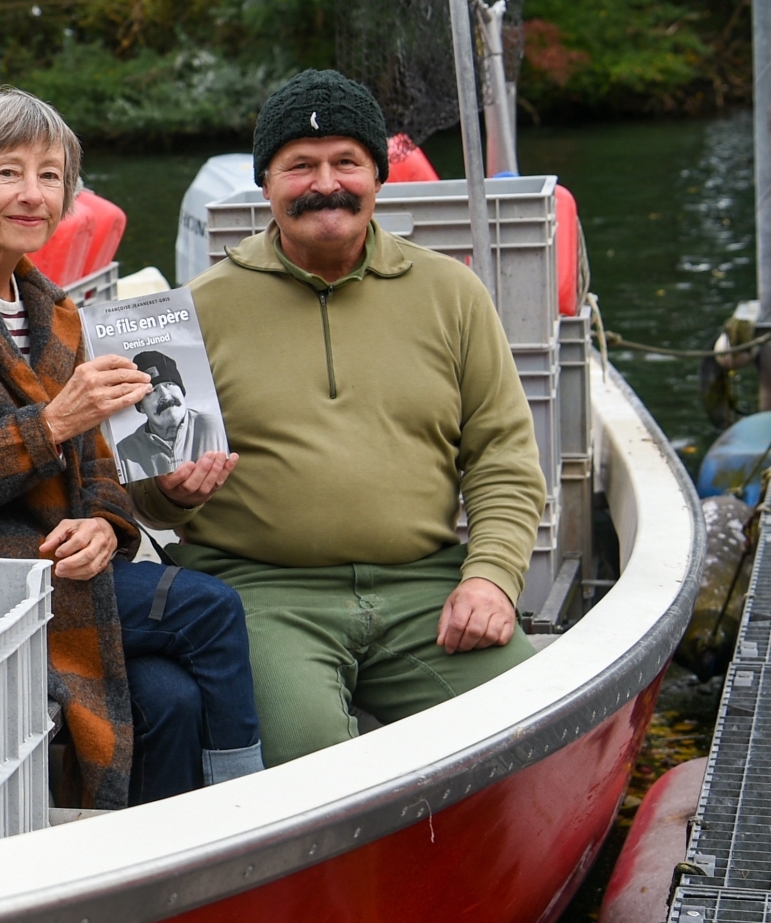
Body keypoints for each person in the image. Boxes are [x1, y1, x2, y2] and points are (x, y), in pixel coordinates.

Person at [0, 89, 263, 808]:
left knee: (172, 697)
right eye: (9, 172)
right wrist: (51, 423)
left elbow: (99, 468)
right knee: (213, 609)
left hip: (48, 571)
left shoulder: (58, 310)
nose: (33, 193)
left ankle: (148, 878)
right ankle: (249, 824)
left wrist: (106, 524)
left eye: (51, 174)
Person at [132, 69, 546, 768]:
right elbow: (148, 490)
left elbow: (503, 455)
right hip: (261, 594)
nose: (327, 183)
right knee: (308, 762)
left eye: (346, 161)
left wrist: (490, 577)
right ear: (266, 183)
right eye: (300, 165)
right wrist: (172, 491)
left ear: (378, 177)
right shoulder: (189, 314)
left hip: (427, 586)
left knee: (533, 722)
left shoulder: (454, 293)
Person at [114, 350, 223, 481]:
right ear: (141, 407)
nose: (165, 395)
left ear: (182, 391)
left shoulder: (213, 427)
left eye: (169, 384)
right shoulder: (124, 454)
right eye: (152, 391)